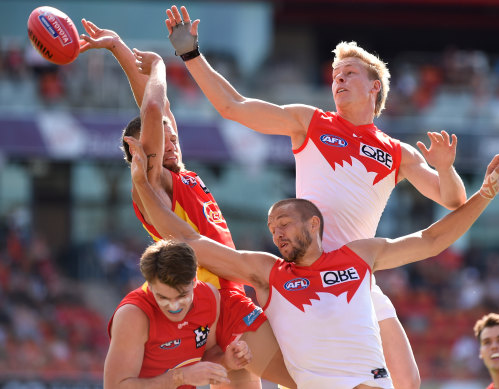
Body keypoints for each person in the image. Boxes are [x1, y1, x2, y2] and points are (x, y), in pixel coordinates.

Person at [165, 6, 468, 388]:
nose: (338, 80)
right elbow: (233, 107)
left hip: (355, 277)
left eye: (349, 74)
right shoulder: (310, 122)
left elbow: (454, 201)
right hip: (303, 276)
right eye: (335, 75)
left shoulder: (397, 152)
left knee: (408, 381)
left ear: (375, 87)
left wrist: (445, 167)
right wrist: (191, 55)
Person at [128, 131, 499, 388]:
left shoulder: (360, 256)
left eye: (283, 222)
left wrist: (483, 195)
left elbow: (432, 239)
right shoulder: (267, 272)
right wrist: (142, 182)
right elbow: (188, 238)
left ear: (313, 222)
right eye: (270, 226)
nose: (276, 232)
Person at [79, 23, 295, 388]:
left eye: (175, 136)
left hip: (227, 294)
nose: (173, 141)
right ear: (141, 148)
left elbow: (159, 110)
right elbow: (152, 107)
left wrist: (118, 47)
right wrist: (160, 67)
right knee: (302, 377)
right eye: (165, 139)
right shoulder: (152, 181)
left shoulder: (180, 173)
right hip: (213, 305)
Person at [104, 239, 251, 388]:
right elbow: (114, 386)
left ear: (194, 280)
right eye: (163, 297)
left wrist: (227, 361)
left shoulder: (210, 296)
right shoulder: (133, 315)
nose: (174, 306)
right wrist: (180, 377)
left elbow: (209, 353)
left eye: (181, 296)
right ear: (150, 285)